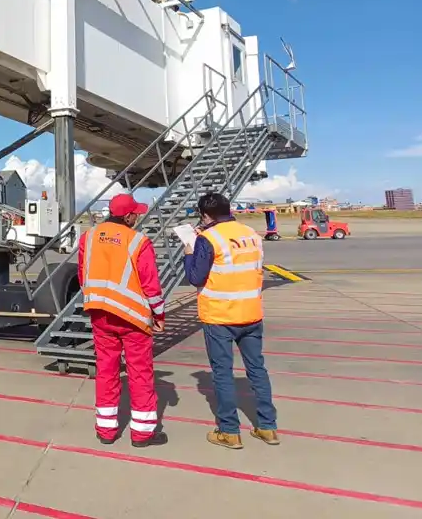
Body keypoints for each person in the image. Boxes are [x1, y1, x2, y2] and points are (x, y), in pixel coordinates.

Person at [183, 192, 279, 449]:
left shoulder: (208, 239)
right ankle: (268, 427)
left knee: (223, 373)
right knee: (257, 369)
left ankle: (229, 431)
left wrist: (189, 249)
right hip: (250, 312)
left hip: (220, 316)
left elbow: (194, 276)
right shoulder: (251, 234)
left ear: (205, 215)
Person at [78, 193, 168, 448]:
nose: (137, 217)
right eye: (135, 213)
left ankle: (105, 431)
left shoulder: (89, 237)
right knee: (140, 373)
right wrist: (159, 315)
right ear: (127, 216)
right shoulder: (138, 241)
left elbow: (82, 275)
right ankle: (142, 434)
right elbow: (151, 285)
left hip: (100, 313)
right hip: (132, 318)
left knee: (106, 371)